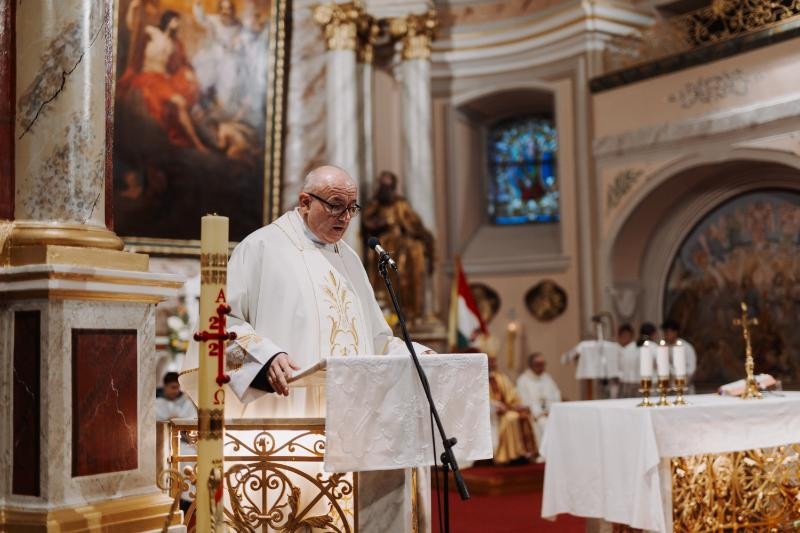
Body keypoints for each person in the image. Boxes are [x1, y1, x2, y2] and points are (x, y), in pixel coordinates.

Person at [180, 165, 433, 531]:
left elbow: (377, 340)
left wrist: (414, 354)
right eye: (335, 205)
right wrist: (266, 355)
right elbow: (219, 322)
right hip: (290, 420)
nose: (345, 217)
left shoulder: (349, 259)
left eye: (351, 208)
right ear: (304, 201)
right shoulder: (262, 247)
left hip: (352, 421)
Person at [361, 170, 435, 323]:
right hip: (383, 242)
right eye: (383, 186)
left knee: (414, 250)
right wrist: (384, 222)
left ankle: (410, 310)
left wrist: (424, 237)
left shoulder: (401, 204)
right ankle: (387, 309)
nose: (386, 190)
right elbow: (367, 223)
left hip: (401, 242)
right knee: (386, 255)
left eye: (389, 186)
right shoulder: (374, 205)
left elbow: (413, 224)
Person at [488, 354, 537, 465]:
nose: (493, 364)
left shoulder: (501, 377)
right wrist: (496, 406)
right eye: (490, 361)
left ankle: (523, 454)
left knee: (523, 415)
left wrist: (516, 405)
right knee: (511, 418)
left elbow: (512, 393)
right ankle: (509, 455)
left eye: (494, 361)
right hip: (493, 413)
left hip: (506, 408)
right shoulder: (480, 378)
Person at [516, 353, 561, 459]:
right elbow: (524, 400)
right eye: (538, 364)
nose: (542, 367)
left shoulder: (547, 378)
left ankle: (558, 454)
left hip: (550, 412)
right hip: (535, 415)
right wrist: (539, 413)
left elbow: (556, 395)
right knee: (544, 424)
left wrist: (551, 411)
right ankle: (545, 455)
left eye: (543, 364)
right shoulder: (523, 380)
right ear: (531, 365)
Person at [661, 319, 697, 383]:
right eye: (664, 332)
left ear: (675, 332)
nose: (666, 335)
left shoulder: (686, 347)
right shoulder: (662, 348)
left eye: (668, 332)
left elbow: (691, 368)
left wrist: (682, 377)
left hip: (683, 381)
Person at [616, 324, 639, 397]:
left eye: (627, 335)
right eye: (623, 335)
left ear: (631, 336)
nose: (625, 337)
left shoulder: (636, 348)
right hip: (620, 382)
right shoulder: (616, 348)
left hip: (635, 381)